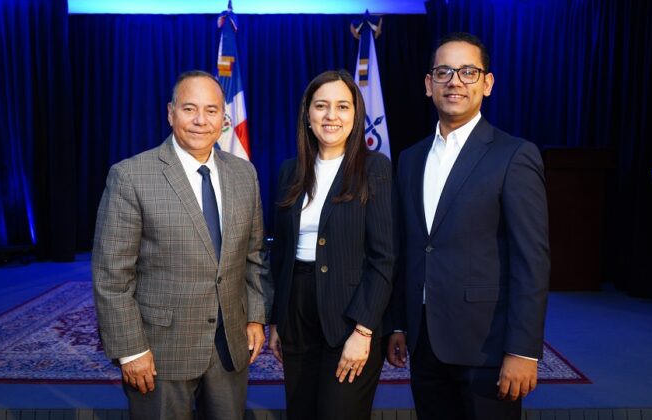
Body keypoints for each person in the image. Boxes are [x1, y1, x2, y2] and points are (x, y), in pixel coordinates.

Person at [386, 32, 550, 420]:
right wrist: (398, 325)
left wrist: (523, 350)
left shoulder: (514, 155)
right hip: (424, 343)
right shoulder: (409, 159)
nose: (454, 81)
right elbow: (408, 248)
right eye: (443, 72)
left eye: (468, 72)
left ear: (487, 84)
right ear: (429, 84)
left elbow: (532, 260)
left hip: (486, 345)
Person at [92, 70, 272, 420]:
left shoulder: (244, 174)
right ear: (170, 113)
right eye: (190, 109)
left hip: (229, 347)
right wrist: (131, 351)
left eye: (211, 110)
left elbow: (254, 255)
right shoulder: (131, 176)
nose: (201, 120)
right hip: (160, 353)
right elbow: (111, 275)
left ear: (224, 118)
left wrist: (255, 317)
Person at [267, 69, 395, 420]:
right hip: (297, 311)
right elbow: (281, 253)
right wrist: (278, 320)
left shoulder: (375, 169)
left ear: (356, 115)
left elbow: (384, 258)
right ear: (307, 114)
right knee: (301, 412)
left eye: (342, 106)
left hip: (350, 315)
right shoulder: (290, 171)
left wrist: (364, 330)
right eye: (321, 106)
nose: (331, 116)